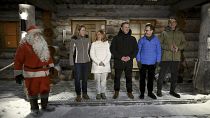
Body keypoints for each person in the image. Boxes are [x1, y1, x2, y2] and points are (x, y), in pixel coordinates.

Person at [14, 25, 55, 117]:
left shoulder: (43, 43)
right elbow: (18, 60)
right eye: (35, 34)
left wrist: (51, 66)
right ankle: (34, 109)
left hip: (44, 72)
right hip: (31, 73)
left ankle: (45, 106)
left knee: (45, 89)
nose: (37, 35)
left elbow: (48, 56)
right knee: (32, 91)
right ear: (29, 35)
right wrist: (18, 73)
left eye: (38, 33)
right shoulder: (23, 46)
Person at [157, 17, 186, 98]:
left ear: (176, 23)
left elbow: (184, 43)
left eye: (174, 22)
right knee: (162, 75)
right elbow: (159, 44)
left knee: (174, 75)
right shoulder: (164, 33)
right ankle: (158, 91)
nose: (172, 23)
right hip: (166, 57)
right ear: (169, 24)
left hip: (176, 58)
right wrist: (169, 47)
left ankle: (172, 91)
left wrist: (178, 48)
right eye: (171, 22)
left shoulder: (180, 33)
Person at [110, 22, 138, 99]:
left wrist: (130, 57)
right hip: (119, 61)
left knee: (129, 78)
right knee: (117, 78)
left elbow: (136, 50)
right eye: (125, 27)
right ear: (121, 28)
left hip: (129, 62)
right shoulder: (116, 38)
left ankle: (129, 92)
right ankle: (116, 92)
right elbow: (112, 49)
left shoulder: (132, 39)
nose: (127, 28)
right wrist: (120, 57)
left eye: (128, 27)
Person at [136, 24, 161, 99]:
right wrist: (138, 61)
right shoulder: (141, 40)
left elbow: (159, 51)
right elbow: (138, 51)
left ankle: (150, 93)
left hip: (152, 63)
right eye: (145, 30)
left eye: (147, 30)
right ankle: (142, 93)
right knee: (142, 79)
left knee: (150, 79)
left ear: (151, 31)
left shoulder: (156, 40)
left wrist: (158, 61)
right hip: (143, 63)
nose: (146, 31)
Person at [69, 25, 91, 102]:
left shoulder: (87, 39)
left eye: (84, 30)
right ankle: (78, 95)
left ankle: (84, 93)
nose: (83, 32)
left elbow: (89, 50)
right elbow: (71, 52)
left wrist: (89, 59)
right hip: (77, 62)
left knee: (85, 79)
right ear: (78, 31)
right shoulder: (74, 39)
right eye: (82, 30)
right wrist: (71, 63)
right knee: (77, 79)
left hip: (86, 62)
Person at [90, 30, 111, 100]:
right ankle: (98, 93)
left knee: (104, 80)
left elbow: (109, 54)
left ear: (103, 35)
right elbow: (92, 54)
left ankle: (103, 92)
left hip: (105, 65)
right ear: (96, 35)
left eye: (101, 34)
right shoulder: (93, 44)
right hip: (97, 65)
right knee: (97, 80)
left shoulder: (106, 43)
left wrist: (104, 62)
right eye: (98, 34)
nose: (99, 36)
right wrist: (98, 62)